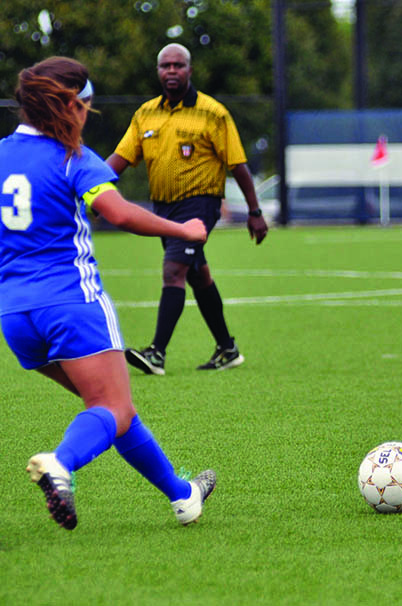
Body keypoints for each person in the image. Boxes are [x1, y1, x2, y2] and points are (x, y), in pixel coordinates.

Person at [0, 57, 216, 530]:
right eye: (86, 106)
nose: (86, 115)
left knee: (111, 410)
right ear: (70, 105)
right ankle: (60, 464)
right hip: (71, 304)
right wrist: (183, 228)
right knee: (111, 408)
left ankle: (183, 496)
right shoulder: (72, 157)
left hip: (15, 316)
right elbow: (116, 213)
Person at [106, 43, 268, 376]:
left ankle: (156, 353)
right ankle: (227, 348)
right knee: (197, 273)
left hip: (200, 205)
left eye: (178, 65)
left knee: (174, 272)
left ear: (190, 70)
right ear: (158, 71)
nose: (171, 71)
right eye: (165, 66)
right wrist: (91, 190)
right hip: (163, 207)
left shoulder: (213, 113)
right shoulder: (145, 114)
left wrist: (255, 211)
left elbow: (238, 166)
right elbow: (118, 161)